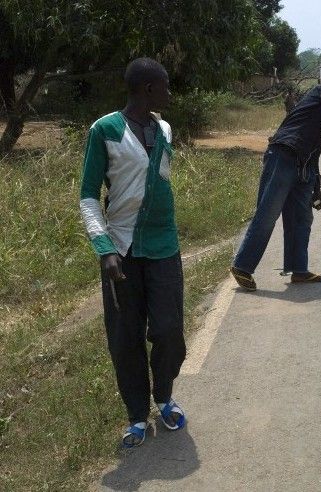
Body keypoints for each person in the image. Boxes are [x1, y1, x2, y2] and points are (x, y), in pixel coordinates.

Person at [79, 57, 186, 448]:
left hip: (164, 246)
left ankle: (165, 396)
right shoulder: (104, 130)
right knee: (126, 337)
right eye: (165, 87)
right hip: (120, 249)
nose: (170, 93)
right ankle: (138, 414)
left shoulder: (165, 129)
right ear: (147, 90)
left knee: (169, 330)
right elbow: (89, 195)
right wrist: (103, 248)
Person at [230, 67, 321, 291]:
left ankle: (299, 270)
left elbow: (317, 143)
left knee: (302, 218)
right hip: (283, 154)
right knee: (267, 214)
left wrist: (316, 186)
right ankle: (242, 266)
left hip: (303, 163)